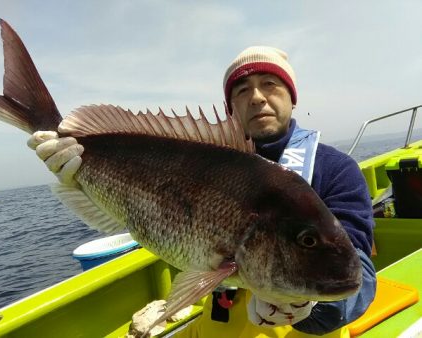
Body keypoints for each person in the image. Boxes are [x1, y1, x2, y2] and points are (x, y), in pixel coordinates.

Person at [28, 46, 376, 338]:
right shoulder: (206, 155)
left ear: (292, 98)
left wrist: (309, 308)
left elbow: (358, 274)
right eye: (242, 90)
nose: (256, 97)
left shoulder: (336, 170)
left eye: (270, 84)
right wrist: (79, 181)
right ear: (230, 108)